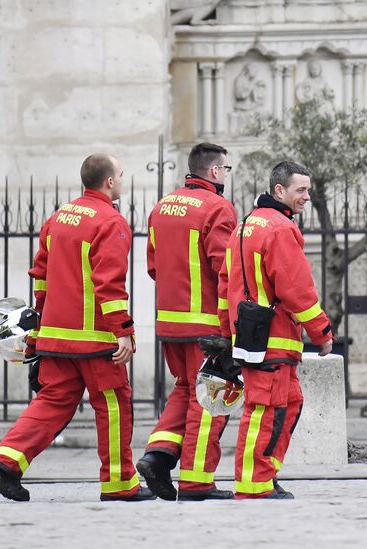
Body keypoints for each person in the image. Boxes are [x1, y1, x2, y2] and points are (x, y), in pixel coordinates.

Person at [0, 155, 151, 502]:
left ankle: (7, 459)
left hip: (56, 337)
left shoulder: (59, 217)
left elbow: (40, 277)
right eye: (120, 174)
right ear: (108, 182)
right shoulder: (111, 222)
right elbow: (109, 285)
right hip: (96, 340)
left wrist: (42, 324)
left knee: (53, 401)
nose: (122, 179)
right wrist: (123, 331)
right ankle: (120, 484)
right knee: (114, 404)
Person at [219, 161, 335, 499]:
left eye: (308, 190)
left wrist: (228, 333)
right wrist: (322, 332)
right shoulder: (281, 229)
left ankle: (264, 477)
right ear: (279, 191)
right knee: (265, 409)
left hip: (250, 335)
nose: (307, 197)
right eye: (301, 190)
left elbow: (225, 285)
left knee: (289, 403)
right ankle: (254, 484)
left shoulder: (243, 226)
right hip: (275, 337)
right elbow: (296, 288)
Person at [135, 143, 238, 501]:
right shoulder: (218, 209)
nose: (226, 175)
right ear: (213, 172)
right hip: (206, 326)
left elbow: (152, 267)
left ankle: (157, 457)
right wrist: (231, 326)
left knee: (184, 389)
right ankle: (196, 481)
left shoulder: (161, 207)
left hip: (169, 323)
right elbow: (226, 270)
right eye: (225, 169)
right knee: (211, 399)